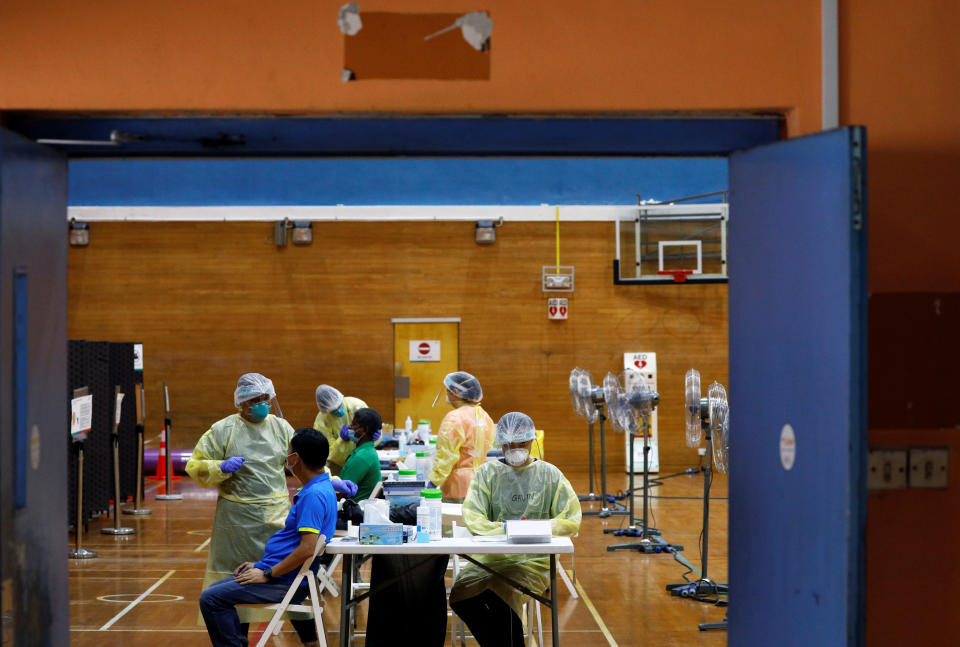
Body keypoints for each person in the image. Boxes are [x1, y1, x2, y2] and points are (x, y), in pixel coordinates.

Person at [186, 373, 355, 630]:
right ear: (241, 401)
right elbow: (194, 466)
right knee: (234, 581)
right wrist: (220, 466)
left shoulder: (280, 427)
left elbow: (306, 460)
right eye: (255, 399)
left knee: (289, 575)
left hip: (277, 514)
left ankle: (309, 638)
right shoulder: (223, 430)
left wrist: (329, 480)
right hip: (236, 521)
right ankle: (237, 638)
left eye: (267, 398)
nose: (262, 404)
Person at [449, 412, 582, 647]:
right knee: (460, 594)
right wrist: (508, 530)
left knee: (502, 589)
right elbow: (473, 516)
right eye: (508, 444)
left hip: (534, 561)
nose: (514, 449)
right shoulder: (487, 474)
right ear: (500, 443)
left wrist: (532, 529)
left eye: (520, 443)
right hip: (490, 558)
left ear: (532, 441)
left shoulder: (549, 474)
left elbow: (571, 519)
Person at [199, 427, 337, 647]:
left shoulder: (314, 495)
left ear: (295, 458)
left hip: (285, 582)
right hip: (281, 575)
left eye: (289, 450)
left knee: (212, 599)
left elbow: (307, 548)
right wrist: (262, 564)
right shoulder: (320, 487)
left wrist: (268, 572)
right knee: (213, 593)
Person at [427, 371, 495, 503]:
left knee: (453, 522)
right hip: (481, 485)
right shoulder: (485, 417)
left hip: (457, 487)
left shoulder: (454, 418)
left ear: (456, 392)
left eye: (448, 391)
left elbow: (446, 456)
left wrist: (434, 481)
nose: (446, 394)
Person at [313, 384, 368, 475]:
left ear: (341, 398)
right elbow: (328, 453)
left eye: (339, 406)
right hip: (338, 466)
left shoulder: (357, 406)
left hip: (363, 458)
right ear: (326, 410)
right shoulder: (322, 421)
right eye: (333, 410)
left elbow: (372, 430)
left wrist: (375, 435)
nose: (338, 411)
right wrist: (341, 441)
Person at [338, 407, 383, 501]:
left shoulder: (361, 457)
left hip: (352, 510)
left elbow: (341, 493)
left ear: (364, 430)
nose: (349, 427)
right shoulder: (367, 451)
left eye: (354, 425)